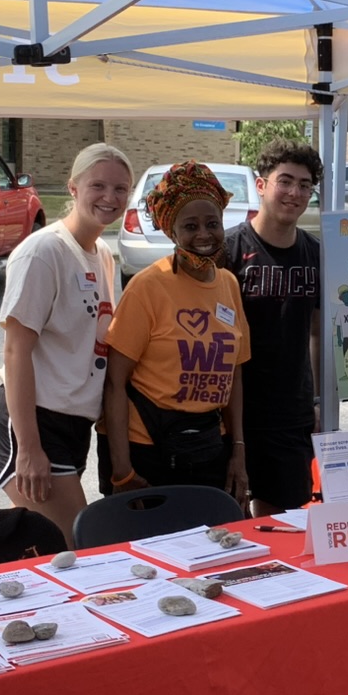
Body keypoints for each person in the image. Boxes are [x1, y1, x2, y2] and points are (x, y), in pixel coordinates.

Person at [0, 143, 132, 548]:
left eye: (120, 188)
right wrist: (29, 448)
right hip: (33, 421)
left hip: (73, 424)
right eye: (97, 185)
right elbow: (16, 350)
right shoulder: (42, 252)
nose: (109, 197)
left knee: (59, 550)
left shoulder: (102, 254)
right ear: (72, 187)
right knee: (76, 547)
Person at [98, 161, 251, 506]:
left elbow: (235, 374)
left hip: (208, 447)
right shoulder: (147, 287)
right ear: (172, 231)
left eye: (212, 224)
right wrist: (121, 470)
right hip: (146, 451)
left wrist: (238, 450)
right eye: (190, 225)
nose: (203, 234)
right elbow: (115, 383)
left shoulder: (228, 285)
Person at [223, 139, 322, 517]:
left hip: (289, 411)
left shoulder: (315, 253)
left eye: (304, 185)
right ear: (262, 185)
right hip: (232, 411)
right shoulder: (228, 249)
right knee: (228, 519)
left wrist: (314, 402)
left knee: (279, 522)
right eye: (285, 181)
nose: (294, 192)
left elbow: (316, 332)